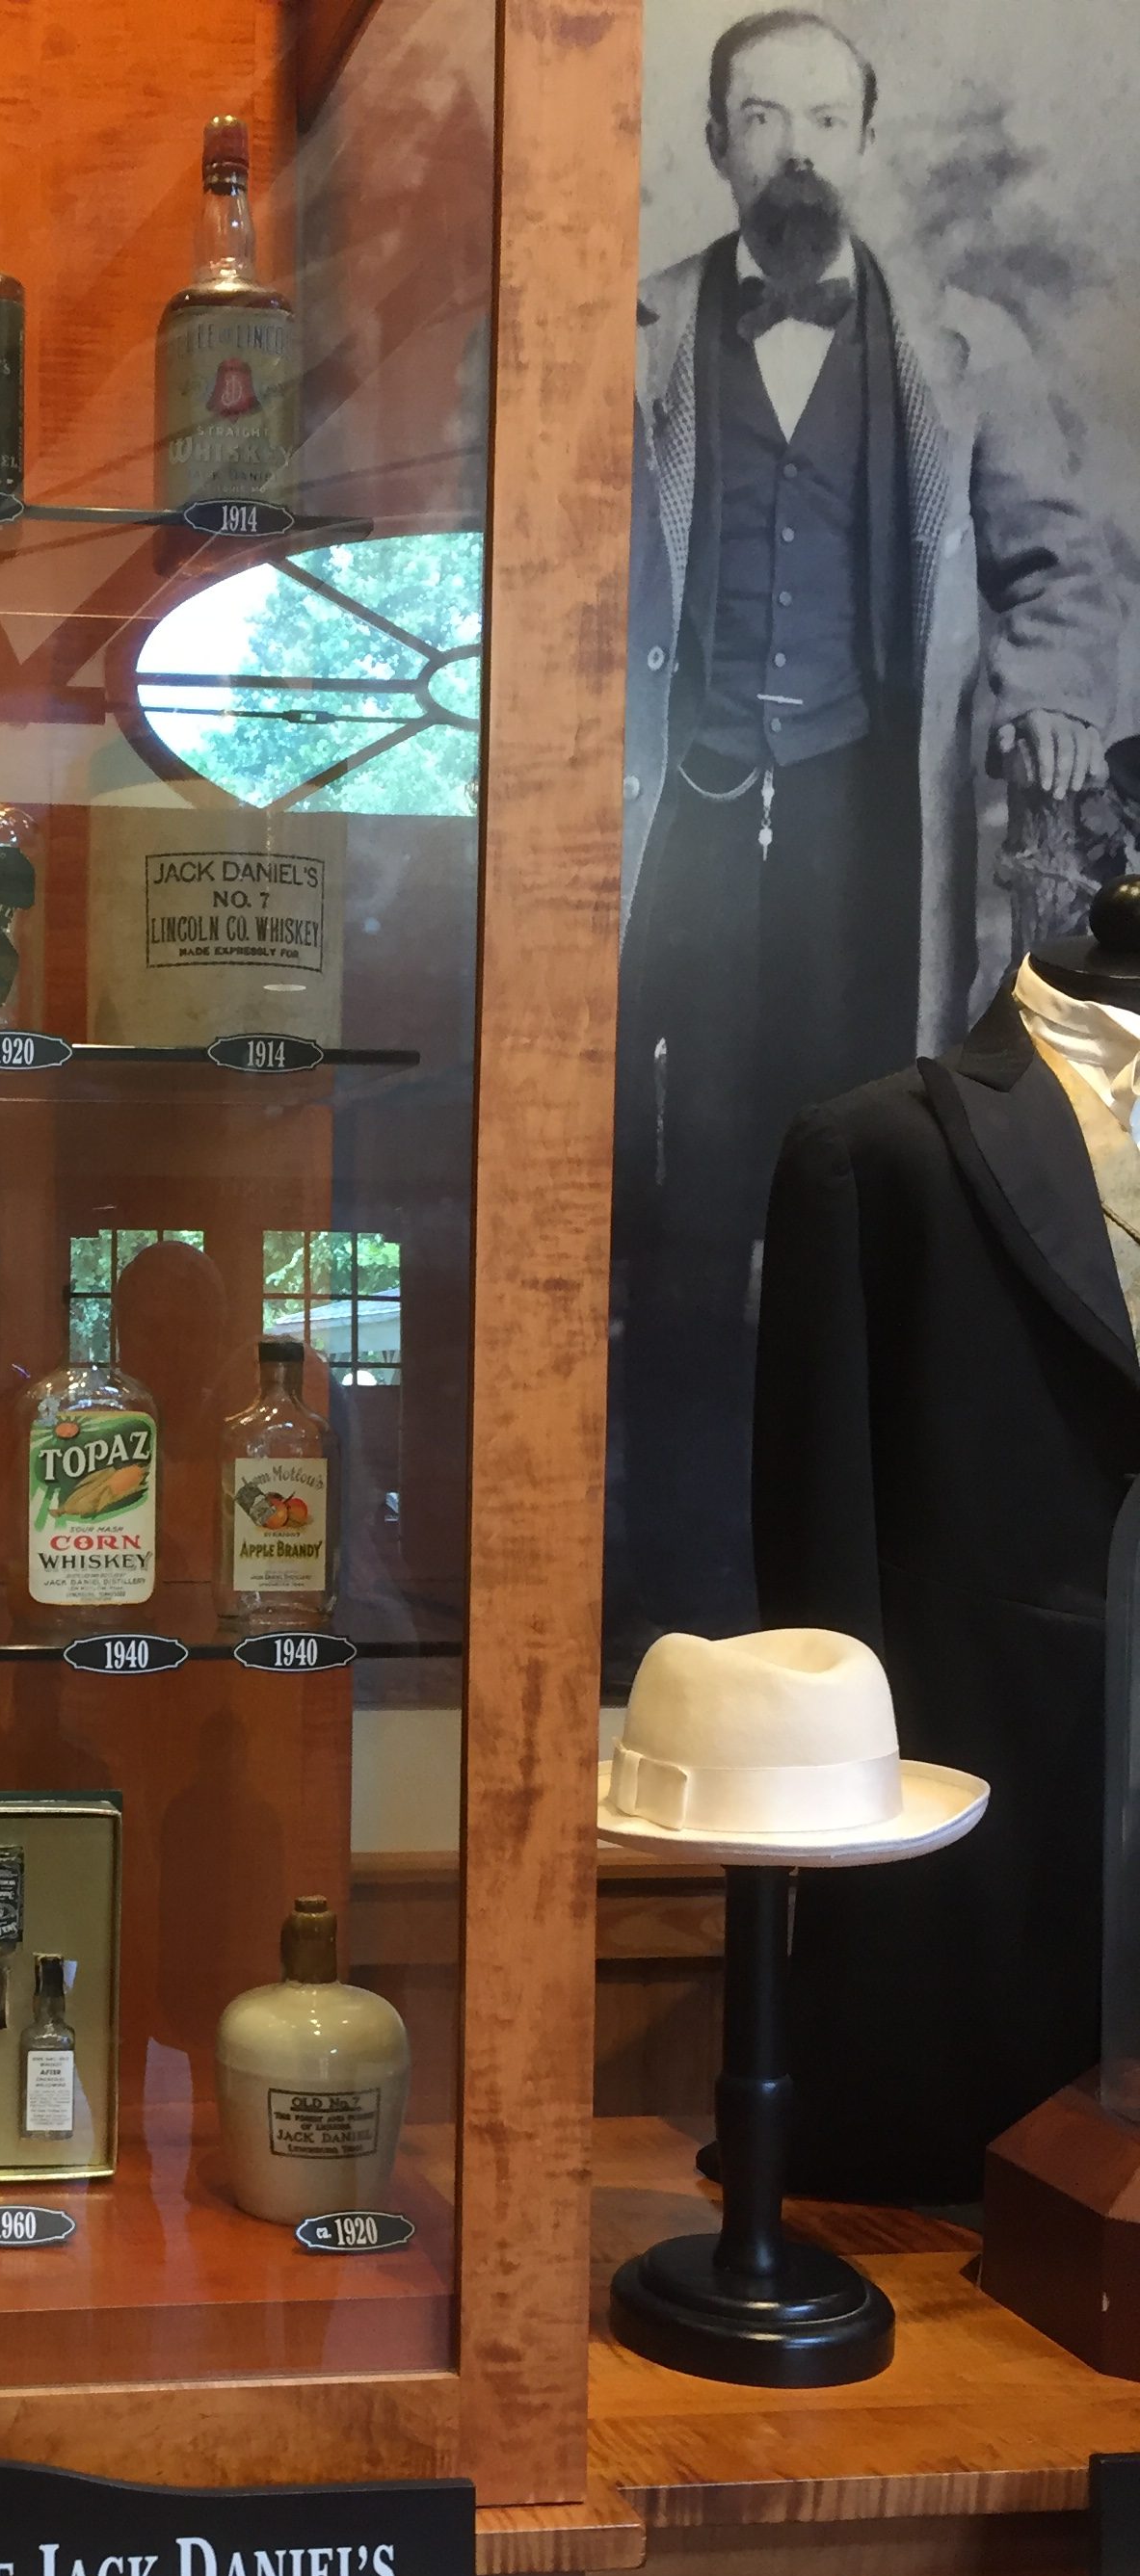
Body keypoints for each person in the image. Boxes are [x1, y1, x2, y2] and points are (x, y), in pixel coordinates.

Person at [607, 6, 1117, 1659]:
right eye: (765, 119)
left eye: (828, 120)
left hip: (868, 842)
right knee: (681, 1210)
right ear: (715, 143)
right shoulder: (629, 337)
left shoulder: (967, 351)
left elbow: (1058, 567)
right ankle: (671, 1606)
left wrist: (1051, 696)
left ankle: (847, 1615)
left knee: (854, 1190)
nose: (799, 153)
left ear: (870, 143)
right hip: (677, 839)